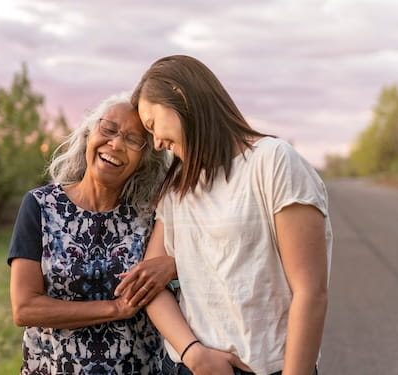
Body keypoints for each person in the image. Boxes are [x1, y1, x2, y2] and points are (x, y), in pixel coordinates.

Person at [118, 55, 332, 375]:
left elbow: (310, 292)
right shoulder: (178, 185)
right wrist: (194, 354)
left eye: (152, 125)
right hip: (186, 367)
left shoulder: (272, 162)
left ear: (180, 95)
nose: (158, 142)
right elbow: (150, 285)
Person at [8, 92, 175, 374]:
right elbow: (25, 308)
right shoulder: (40, 205)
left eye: (133, 140)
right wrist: (115, 308)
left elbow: (196, 263)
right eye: (108, 129)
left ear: (146, 159)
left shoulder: (154, 214)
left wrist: (173, 265)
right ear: (88, 134)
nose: (116, 144)